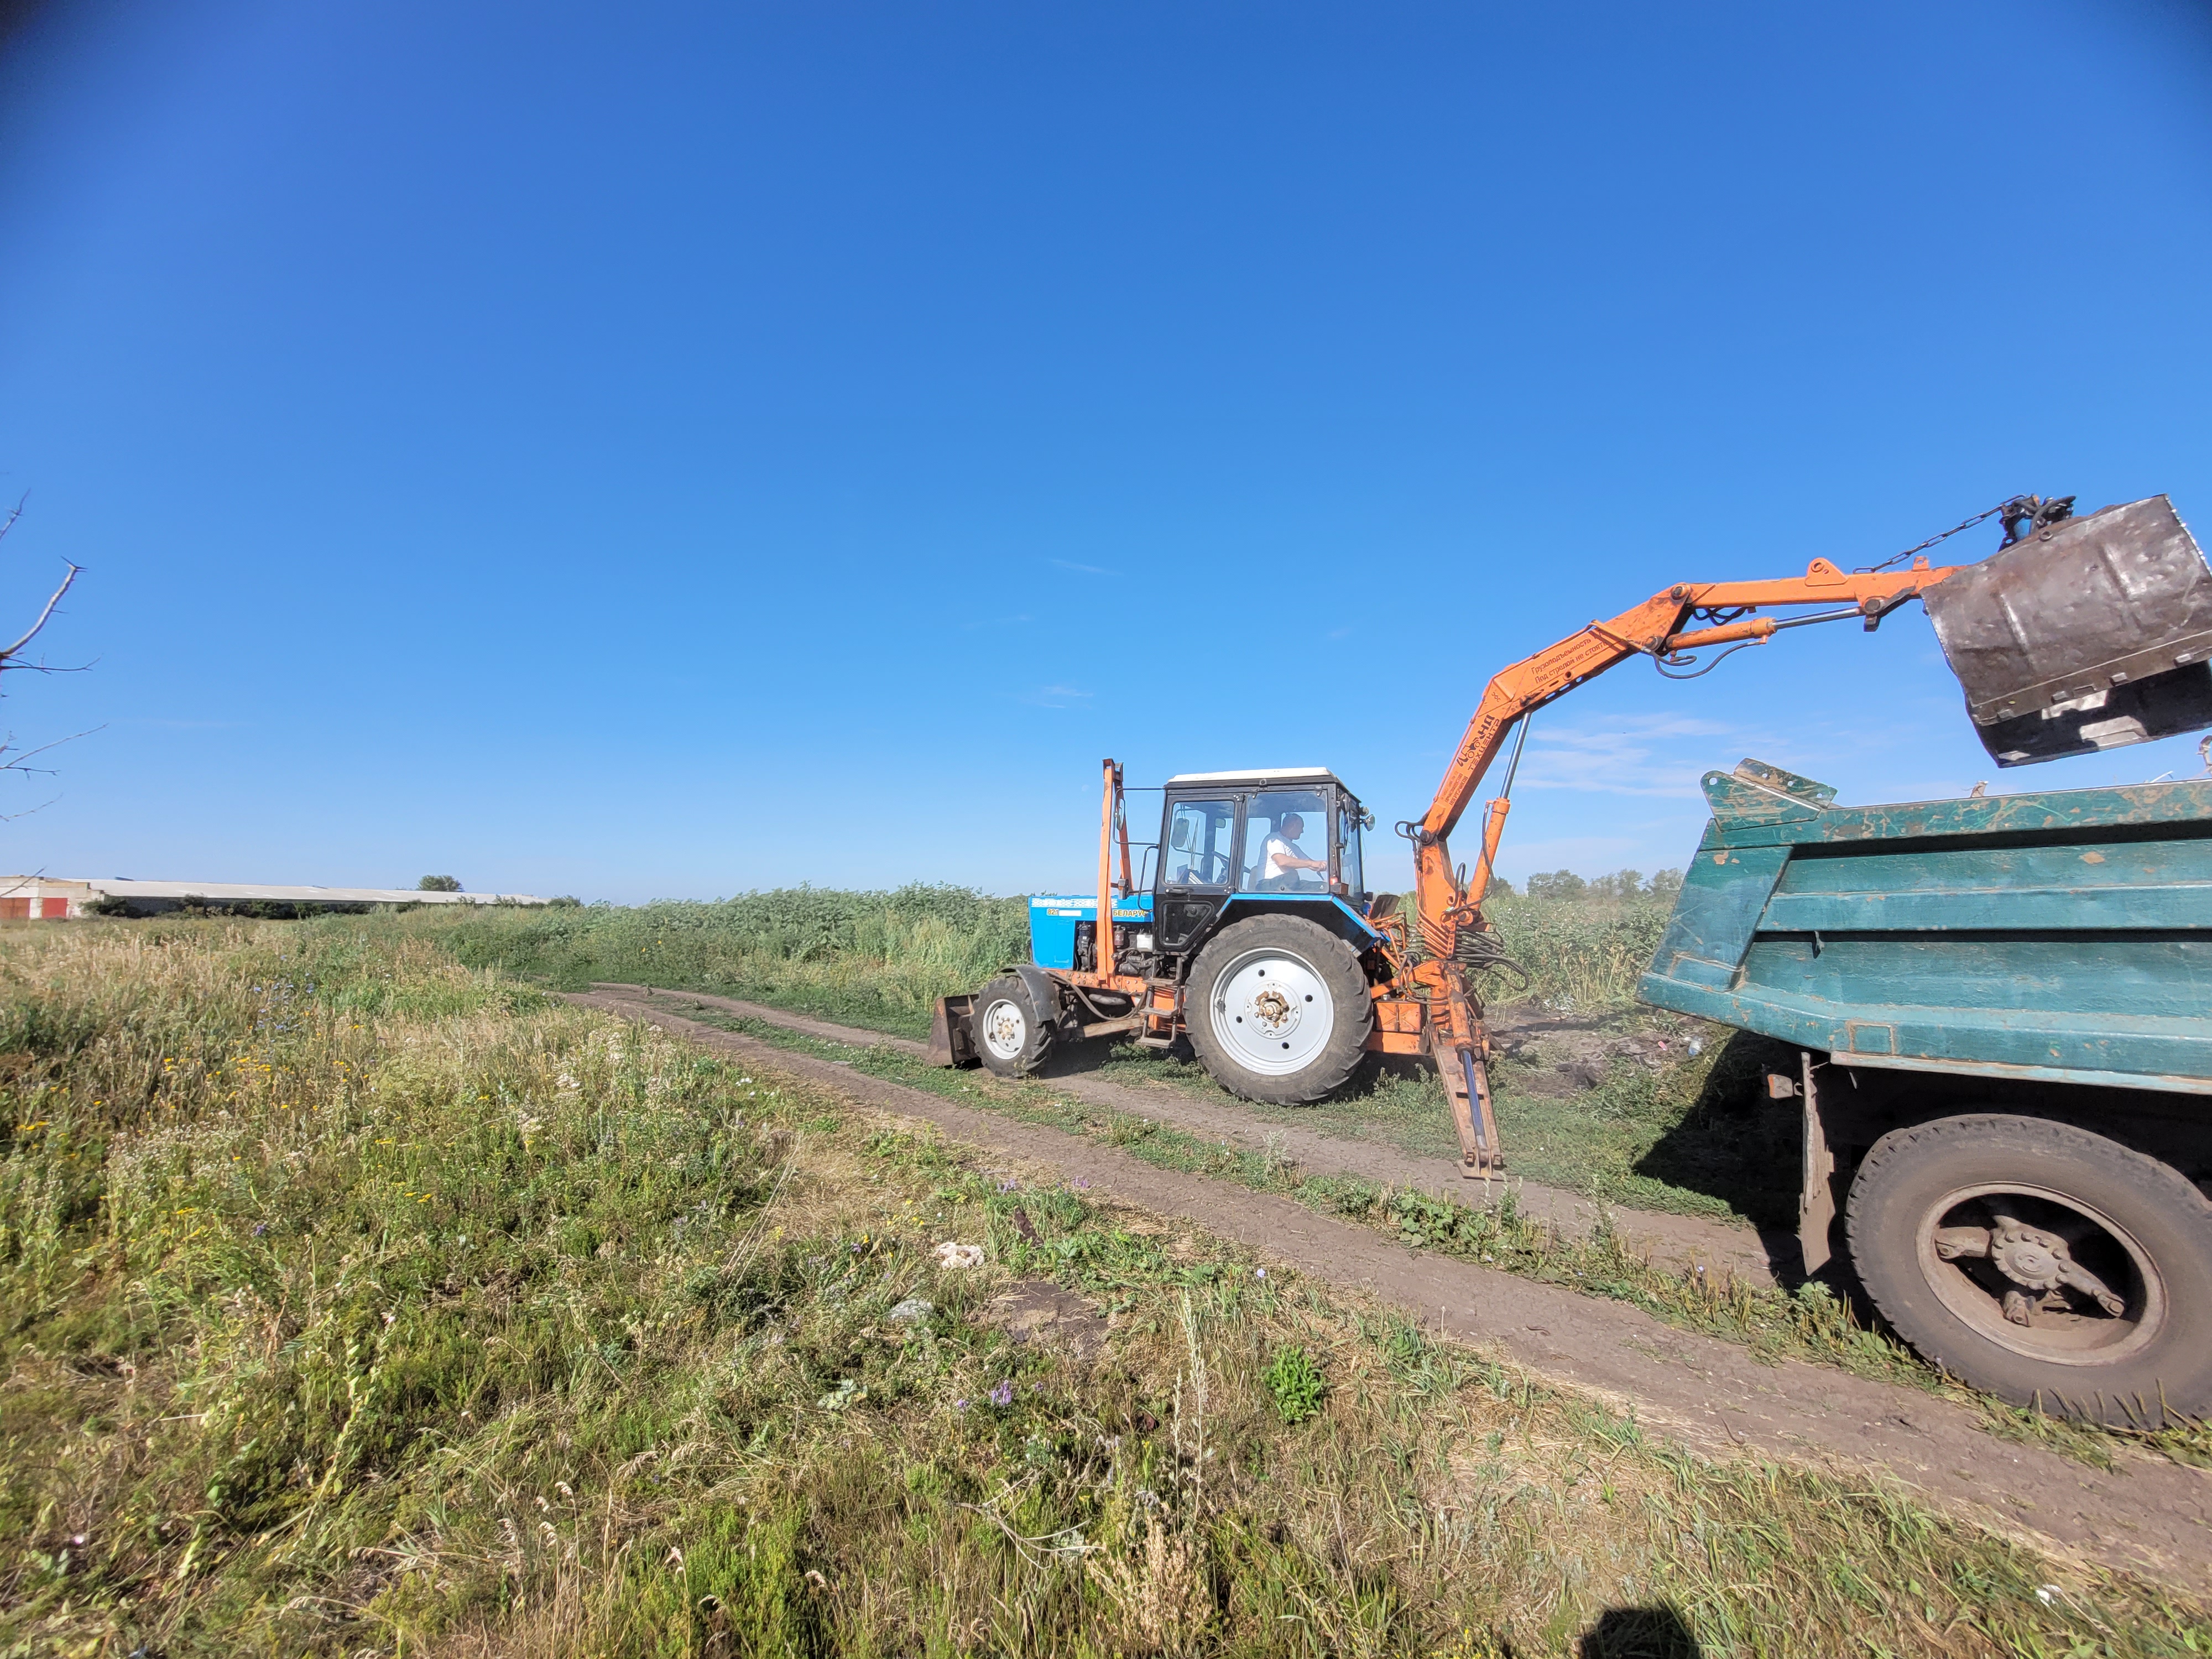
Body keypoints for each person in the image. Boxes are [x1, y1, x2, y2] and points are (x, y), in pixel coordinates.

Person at [1259, 813, 1327, 888]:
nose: (1302, 831)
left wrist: (1327, 865)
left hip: (1286, 885)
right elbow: (1281, 861)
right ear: (1292, 826)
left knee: (1323, 887)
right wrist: (1311, 864)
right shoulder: (1274, 838)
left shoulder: (1294, 847)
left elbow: (1313, 864)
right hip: (1270, 884)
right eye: (1301, 827)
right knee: (1293, 876)